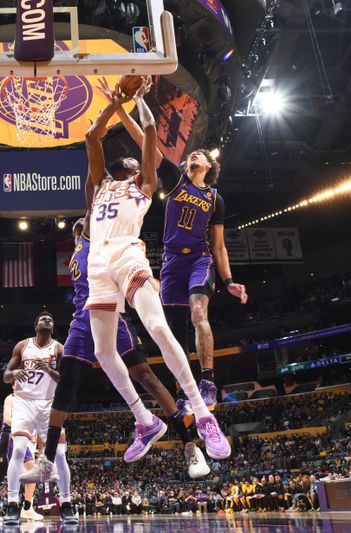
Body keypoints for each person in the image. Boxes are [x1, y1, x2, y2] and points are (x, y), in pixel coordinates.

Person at [69, 77, 230, 460]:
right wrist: (112, 102)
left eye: (130, 158)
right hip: (97, 266)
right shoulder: (99, 185)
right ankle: (145, 420)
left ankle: (204, 415)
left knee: (157, 328)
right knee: (104, 353)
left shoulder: (144, 183)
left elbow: (151, 133)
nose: (122, 159)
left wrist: (138, 99)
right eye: (119, 160)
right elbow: (92, 137)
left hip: (127, 256)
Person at [20, 216, 210, 496]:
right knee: (66, 385)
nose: (82, 226)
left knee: (147, 377)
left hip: (110, 314)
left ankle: (190, 446)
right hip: (81, 321)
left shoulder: (100, 242)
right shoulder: (78, 251)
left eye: (84, 224)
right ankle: (47, 461)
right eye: (78, 227)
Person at [109, 83, 247, 408]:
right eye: (191, 154)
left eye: (199, 154)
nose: (193, 154)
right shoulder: (174, 179)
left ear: (209, 167)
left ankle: (208, 382)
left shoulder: (215, 198)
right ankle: (186, 394)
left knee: (199, 313)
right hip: (171, 264)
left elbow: (219, 246)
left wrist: (228, 281)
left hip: (199, 260)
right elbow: (146, 142)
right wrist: (119, 110)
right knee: (172, 336)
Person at [1, 312, 71, 524]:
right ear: (36, 326)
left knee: (59, 454)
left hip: (49, 404)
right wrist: (13, 374)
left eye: (50, 319)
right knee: (20, 450)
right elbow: (5, 375)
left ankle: (66, 503)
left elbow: (66, 380)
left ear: (53, 327)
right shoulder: (22, 346)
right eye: (42, 319)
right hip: (23, 402)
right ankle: (13, 503)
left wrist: (49, 369)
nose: (47, 320)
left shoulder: (59, 348)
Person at [0, 394, 43, 522]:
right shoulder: (10, 398)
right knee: (0, 474)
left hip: (22, 438)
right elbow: (8, 420)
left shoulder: (28, 401)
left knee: (32, 470)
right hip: (9, 437)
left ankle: (27, 507)